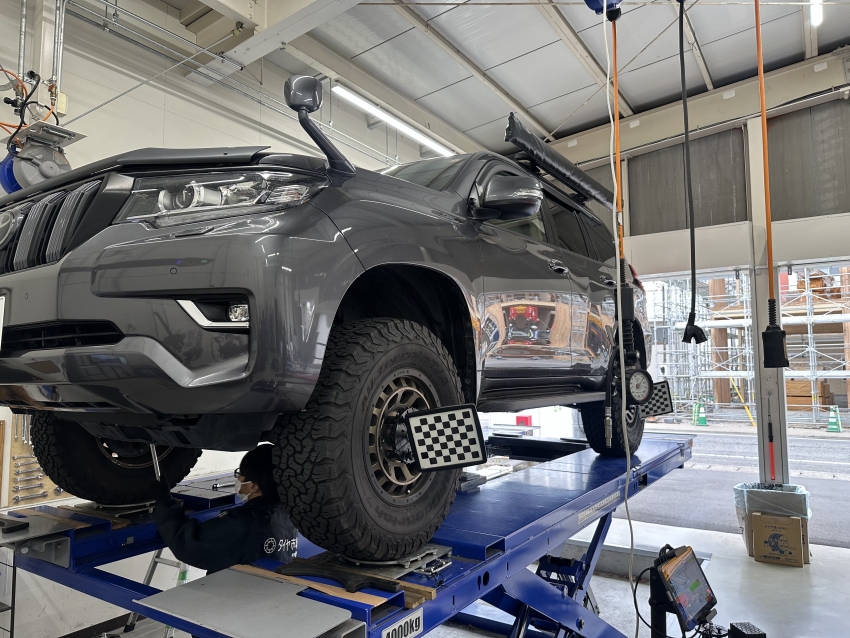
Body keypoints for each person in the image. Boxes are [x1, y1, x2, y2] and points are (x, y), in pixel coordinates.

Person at [153, 444, 298, 573]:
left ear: (253, 486)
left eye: (240, 474)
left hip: (238, 591)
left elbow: (188, 543)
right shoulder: (291, 515)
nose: (238, 479)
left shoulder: (244, 522)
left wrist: (164, 502)